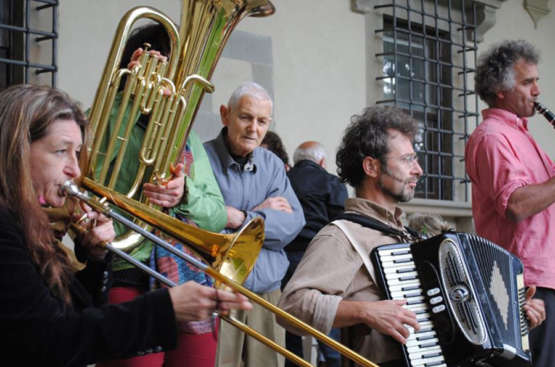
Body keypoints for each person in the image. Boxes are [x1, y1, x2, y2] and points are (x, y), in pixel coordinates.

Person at [0, 84, 252, 366]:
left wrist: (95, 258)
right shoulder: (6, 230)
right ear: (17, 150)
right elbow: (52, 339)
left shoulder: (27, 224)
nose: (76, 170)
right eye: (61, 151)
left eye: (78, 152)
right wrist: (164, 309)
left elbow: (67, 312)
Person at [279, 105, 545, 367]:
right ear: (371, 167)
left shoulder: (407, 236)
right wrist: (366, 311)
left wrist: (514, 317)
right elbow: (291, 306)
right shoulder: (343, 236)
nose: (418, 169)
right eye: (407, 159)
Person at [95, 24, 229, 367]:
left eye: (175, 73)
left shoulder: (191, 140)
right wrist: (128, 100)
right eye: (161, 70)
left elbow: (215, 215)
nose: (167, 82)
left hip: (188, 273)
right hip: (130, 269)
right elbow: (88, 185)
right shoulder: (108, 119)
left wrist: (184, 193)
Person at [204, 81, 305, 367]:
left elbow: (292, 223)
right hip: (220, 291)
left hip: (268, 295)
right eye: (246, 117)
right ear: (226, 115)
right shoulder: (202, 158)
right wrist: (261, 216)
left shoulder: (272, 164)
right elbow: (201, 227)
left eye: (262, 121)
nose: (253, 128)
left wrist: (242, 218)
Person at [465, 39, 550, 367]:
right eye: (528, 82)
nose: (537, 91)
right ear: (500, 89)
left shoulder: (522, 136)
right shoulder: (493, 137)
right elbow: (516, 205)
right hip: (526, 284)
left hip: (544, 279)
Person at [283, 141, 348, 367]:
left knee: (289, 323)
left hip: (286, 258)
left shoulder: (284, 181)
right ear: (321, 161)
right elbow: (342, 223)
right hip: (320, 258)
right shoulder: (330, 181)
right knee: (325, 318)